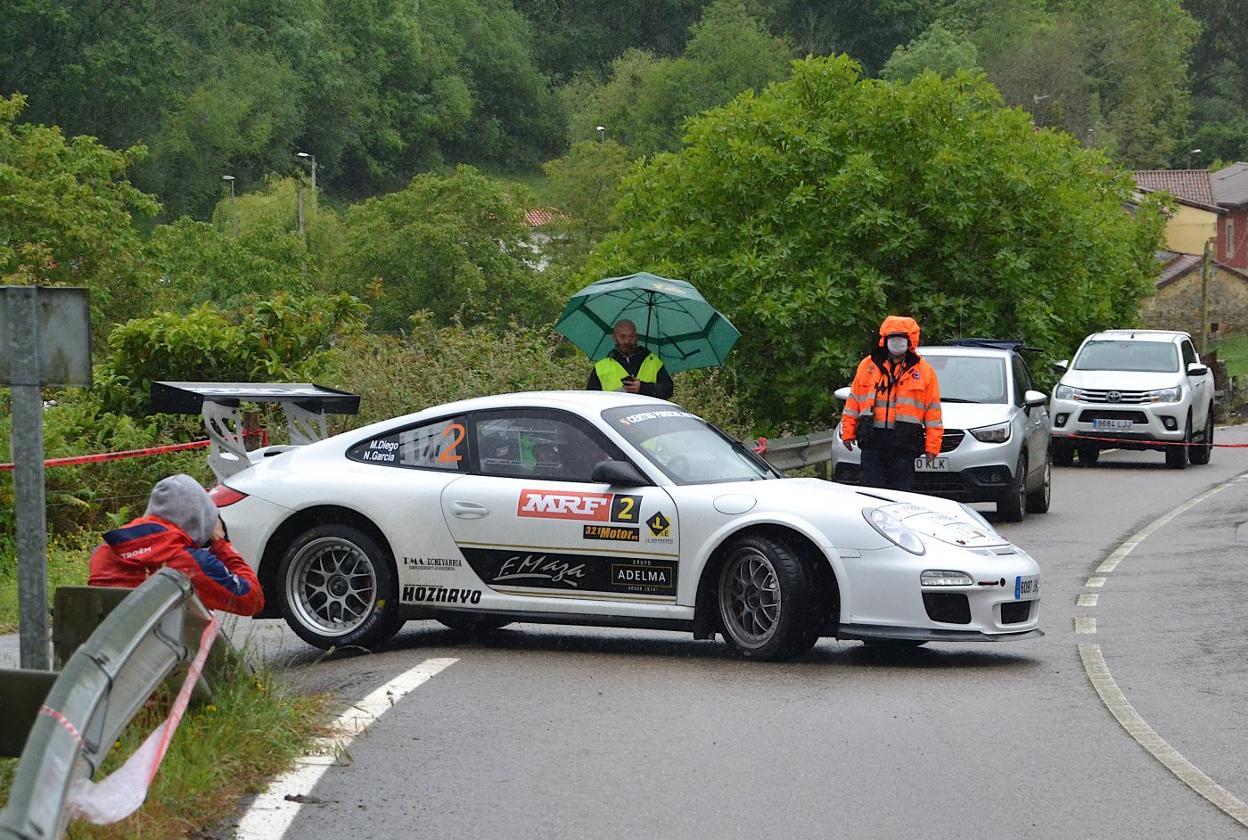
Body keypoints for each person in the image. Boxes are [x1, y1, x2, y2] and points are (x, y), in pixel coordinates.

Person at [89, 474, 264, 616]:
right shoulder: (190, 562)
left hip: (105, 652)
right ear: (199, 520)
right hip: (165, 652)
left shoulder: (105, 550)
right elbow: (252, 601)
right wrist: (222, 544)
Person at [840, 315, 943, 492]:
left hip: (905, 442)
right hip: (872, 439)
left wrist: (932, 446)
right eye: (892, 338)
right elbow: (854, 401)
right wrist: (847, 433)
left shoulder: (924, 371)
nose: (897, 343)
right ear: (884, 339)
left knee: (901, 493)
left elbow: (933, 412)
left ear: (910, 341)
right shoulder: (868, 366)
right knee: (871, 491)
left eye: (901, 338)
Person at [586, 319, 674, 399]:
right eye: (622, 337)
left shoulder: (654, 362)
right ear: (614, 338)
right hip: (614, 416)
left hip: (649, 415)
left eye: (631, 336)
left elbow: (668, 390)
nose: (627, 341)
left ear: (636, 337)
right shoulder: (601, 367)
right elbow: (591, 400)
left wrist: (642, 387)